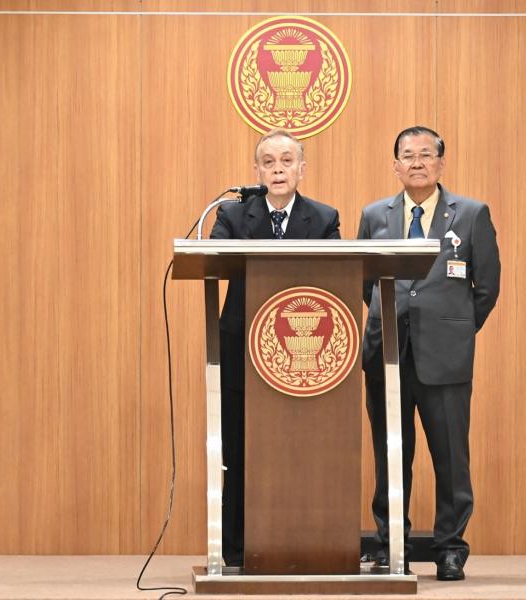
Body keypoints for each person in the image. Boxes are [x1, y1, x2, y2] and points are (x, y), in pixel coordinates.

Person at [357, 126, 500, 581]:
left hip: (446, 356)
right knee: (390, 456)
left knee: (451, 458)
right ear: (395, 165)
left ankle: (450, 548)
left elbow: (486, 287)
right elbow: (365, 284)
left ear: (441, 163)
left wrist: (455, 330)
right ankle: (391, 545)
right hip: (387, 353)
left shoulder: (472, 214)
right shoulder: (374, 215)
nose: (416, 162)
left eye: (425, 154)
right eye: (407, 155)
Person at [210, 129, 341, 567]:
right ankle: (235, 548)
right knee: (240, 447)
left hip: (303, 352)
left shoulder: (324, 218)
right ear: (257, 171)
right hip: (242, 346)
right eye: (269, 162)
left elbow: (336, 277)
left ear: (302, 169)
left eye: (287, 161)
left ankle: (303, 541)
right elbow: (215, 260)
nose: (278, 169)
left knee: (300, 445)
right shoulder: (232, 215)